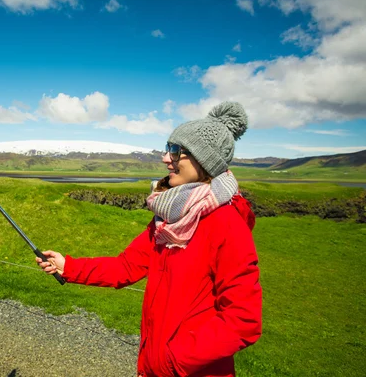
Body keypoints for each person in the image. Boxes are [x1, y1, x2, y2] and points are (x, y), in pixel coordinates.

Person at [36, 101, 262, 377]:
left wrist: (173, 362)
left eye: (177, 151)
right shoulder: (168, 216)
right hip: (155, 367)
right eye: (169, 149)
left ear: (205, 160)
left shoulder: (226, 224)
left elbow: (243, 319)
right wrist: (69, 267)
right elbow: (127, 266)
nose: (167, 159)